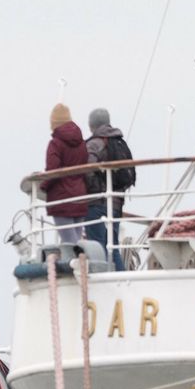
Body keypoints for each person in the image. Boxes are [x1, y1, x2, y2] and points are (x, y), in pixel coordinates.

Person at [83, 108, 134, 271]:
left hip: (96, 202)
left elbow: (87, 169)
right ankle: (121, 279)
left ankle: (103, 282)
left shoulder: (94, 144)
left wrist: (88, 191)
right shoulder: (119, 142)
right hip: (116, 204)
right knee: (113, 248)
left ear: (91, 125)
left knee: (97, 246)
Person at [44, 103, 92, 247]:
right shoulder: (82, 143)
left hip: (62, 199)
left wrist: (43, 185)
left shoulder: (55, 144)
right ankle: (83, 265)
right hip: (79, 197)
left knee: (70, 244)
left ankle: (78, 265)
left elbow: (53, 171)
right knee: (77, 241)